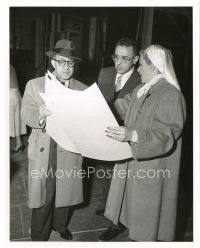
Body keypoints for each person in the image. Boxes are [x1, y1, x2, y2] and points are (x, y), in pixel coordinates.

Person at [103, 44, 186, 241]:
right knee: (134, 220)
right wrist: (93, 107)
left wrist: (133, 135)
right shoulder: (142, 89)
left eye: (141, 65)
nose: (138, 69)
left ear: (156, 67)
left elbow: (166, 136)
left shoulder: (170, 95)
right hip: (135, 167)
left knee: (147, 227)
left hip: (153, 170)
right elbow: (120, 106)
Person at [21, 39, 87, 241]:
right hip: (45, 146)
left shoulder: (84, 90)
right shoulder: (34, 85)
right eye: (61, 62)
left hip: (69, 148)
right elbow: (25, 113)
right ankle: (39, 235)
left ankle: (60, 225)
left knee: (65, 190)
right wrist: (40, 114)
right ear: (53, 63)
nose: (66, 67)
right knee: (44, 193)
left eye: (70, 63)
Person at [96, 37, 141, 241]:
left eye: (125, 58)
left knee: (121, 180)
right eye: (116, 57)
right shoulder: (105, 73)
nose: (118, 63)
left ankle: (117, 223)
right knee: (104, 175)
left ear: (136, 59)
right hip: (104, 134)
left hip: (126, 137)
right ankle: (109, 208)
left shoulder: (142, 79)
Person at [10, 64, 27, 153]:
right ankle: (19, 142)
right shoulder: (11, 66)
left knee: (8, 121)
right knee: (15, 119)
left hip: (9, 95)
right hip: (16, 94)